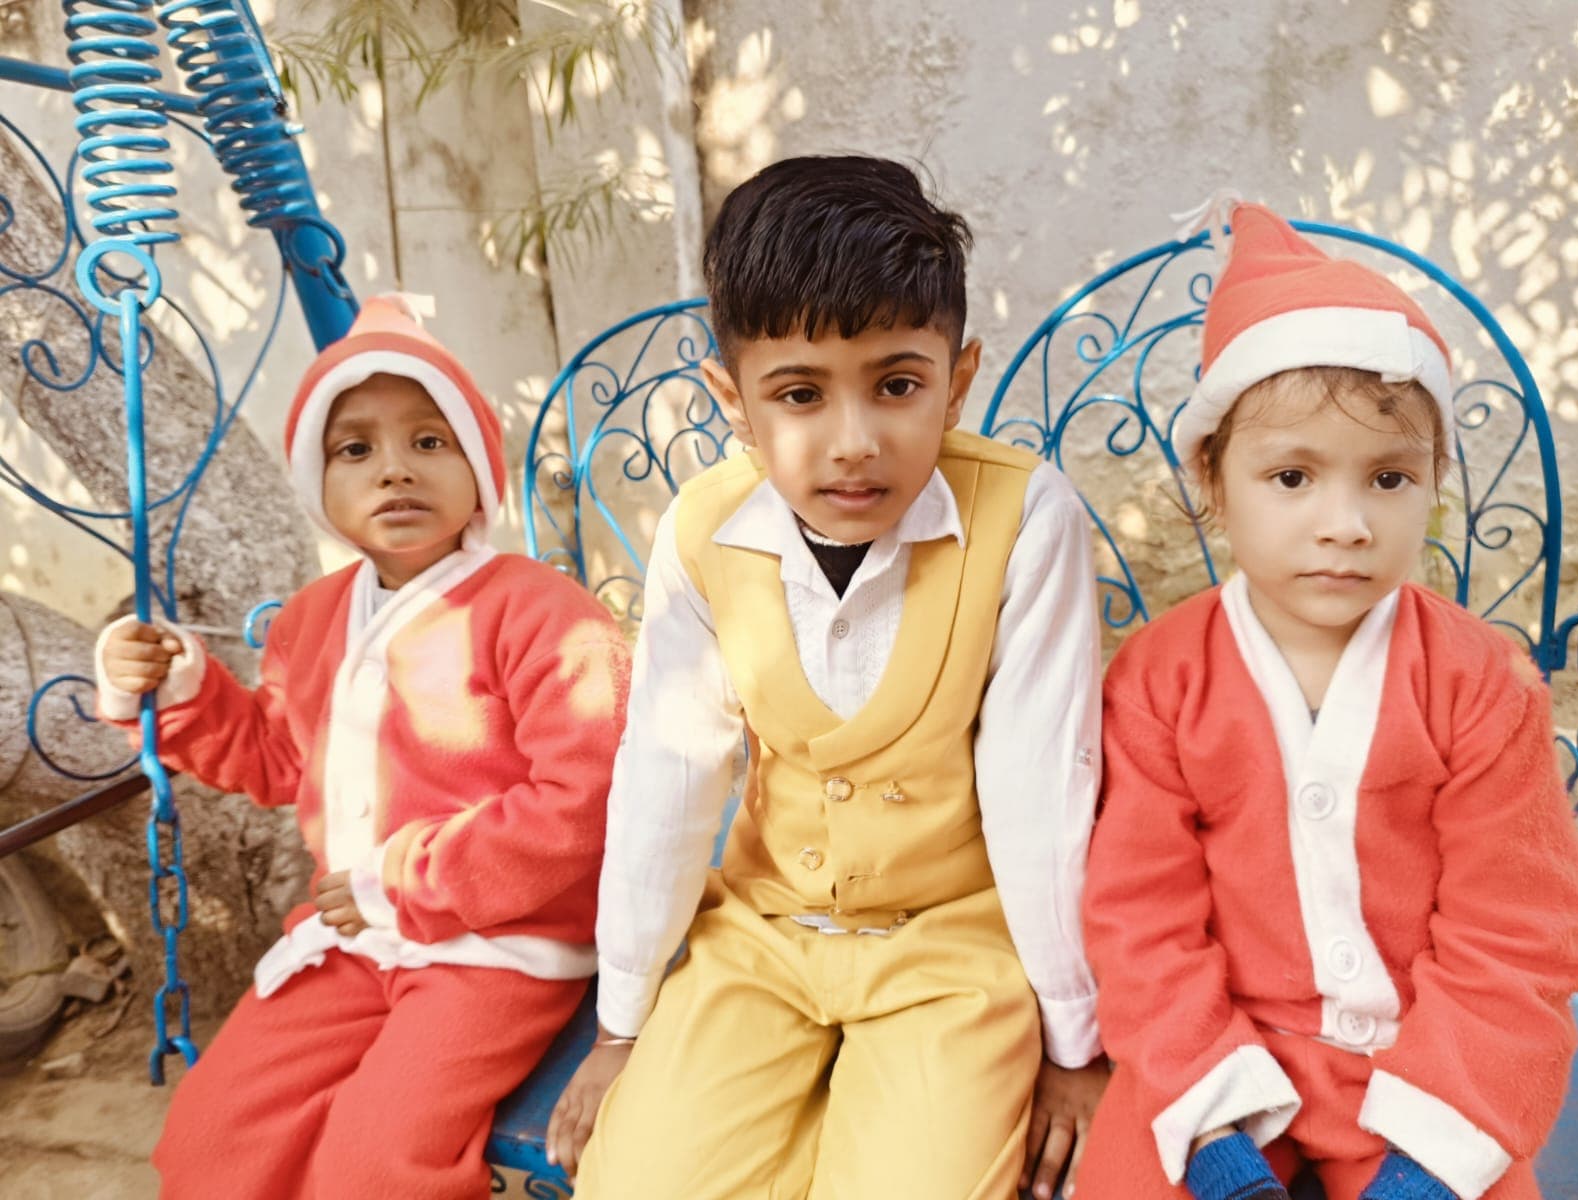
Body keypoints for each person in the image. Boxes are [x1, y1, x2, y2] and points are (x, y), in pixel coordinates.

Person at [545, 155, 1109, 1199]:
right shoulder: (706, 529)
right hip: (760, 938)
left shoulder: (1027, 519)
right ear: (734, 399)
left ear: (958, 378)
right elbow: (669, 779)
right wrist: (622, 1026)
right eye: (799, 393)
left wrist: (1075, 1044)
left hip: (951, 950)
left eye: (897, 384)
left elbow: (1042, 789)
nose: (855, 444)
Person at [1073, 200, 1578, 1200]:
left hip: (1427, 1057)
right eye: (1292, 476)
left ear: (1435, 483)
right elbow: (1138, 921)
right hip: (1221, 1054)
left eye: (1389, 478)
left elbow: (1517, 932)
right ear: (1214, 486)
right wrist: (1217, 1140)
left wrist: (1429, 1166)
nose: (1344, 524)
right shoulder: (1159, 681)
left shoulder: (1482, 685)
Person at [95, 295, 632, 1199]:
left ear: (478, 467)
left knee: (376, 1164)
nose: (395, 471)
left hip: (494, 948)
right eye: (357, 449)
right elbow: (278, 759)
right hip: (348, 941)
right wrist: (179, 691)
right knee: (211, 1140)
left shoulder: (541, 613)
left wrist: (408, 874)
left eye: (430, 442)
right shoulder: (313, 619)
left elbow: (585, 798)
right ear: (321, 486)